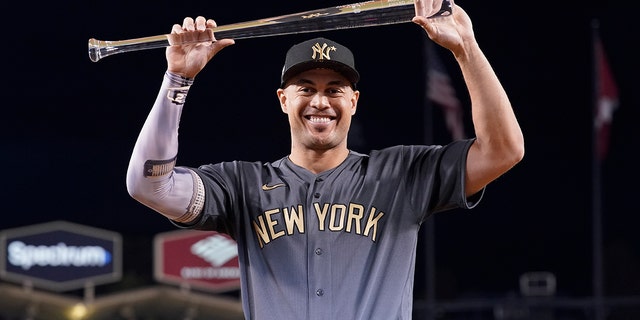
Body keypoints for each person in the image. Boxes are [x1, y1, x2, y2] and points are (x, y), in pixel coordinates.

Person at [126, 0, 524, 318]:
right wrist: (177, 81)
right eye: (305, 87)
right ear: (283, 100)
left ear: (353, 102)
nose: (320, 101)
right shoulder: (240, 186)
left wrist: (466, 49)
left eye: (335, 89)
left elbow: (503, 150)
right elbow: (149, 185)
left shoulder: (402, 175)